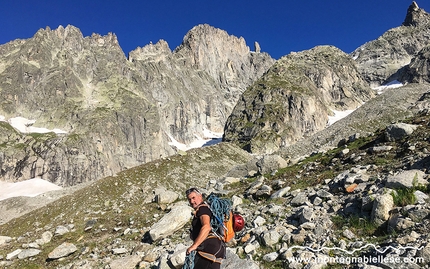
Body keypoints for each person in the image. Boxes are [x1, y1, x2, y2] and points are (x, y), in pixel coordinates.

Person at [184, 187, 225, 269]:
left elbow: (206, 227)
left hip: (208, 247)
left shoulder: (202, 209)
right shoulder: (208, 208)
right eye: (189, 199)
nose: (192, 201)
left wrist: (194, 246)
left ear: (200, 196)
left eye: (193, 198)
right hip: (219, 248)